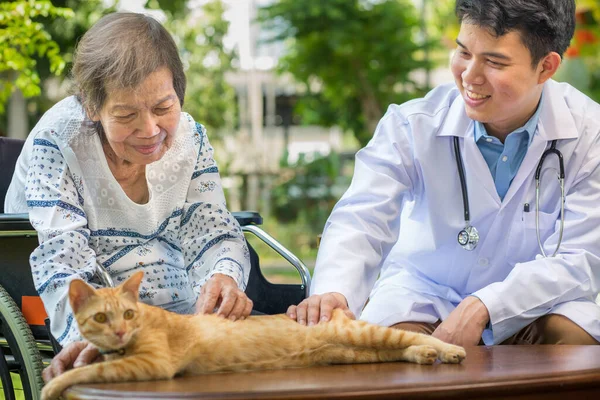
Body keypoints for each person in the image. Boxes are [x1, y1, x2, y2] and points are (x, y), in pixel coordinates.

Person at [288, 0, 600, 347]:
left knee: (572, 342)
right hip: (426, 296)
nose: (470, 76)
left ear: (546, 67)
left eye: (494, 62)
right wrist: (335, 291)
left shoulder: (590, 134)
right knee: (391, 350)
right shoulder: (411, 125)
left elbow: (582, 257)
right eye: (464, 52)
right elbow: (362, 218)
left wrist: (487, 305)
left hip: (536, 307)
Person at [5, 12, 253, 380]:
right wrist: (87, 335)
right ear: (92, 108)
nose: (150, 130)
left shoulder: (191, 139)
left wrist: (223, 277)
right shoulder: (57, 142)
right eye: (126, 114)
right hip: (94, 316)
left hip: (172, 314)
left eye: (163, 108)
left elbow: (212, 232)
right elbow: (62, 258)